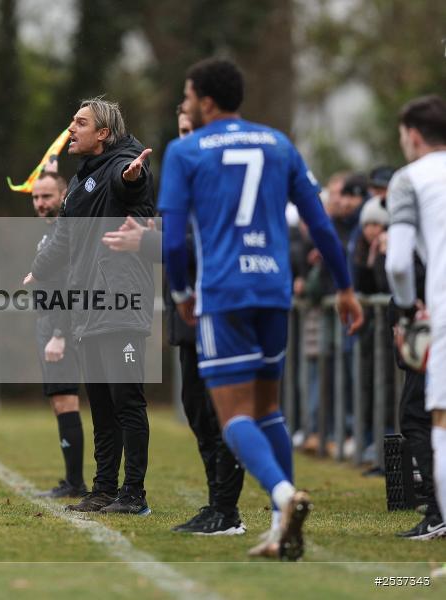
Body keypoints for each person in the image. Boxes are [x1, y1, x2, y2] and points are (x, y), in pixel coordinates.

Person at [160, 58, 363, 560]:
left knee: (233, 417)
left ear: (205, 101)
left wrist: (182, 293)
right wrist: (345, 287)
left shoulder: (185, 150)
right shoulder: (278, 143)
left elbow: (171, 242)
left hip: (224, 294)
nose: (185, 104)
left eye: (188, 96)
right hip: (274, 290)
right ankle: (280, 528)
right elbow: (317, 223)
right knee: (269, 408)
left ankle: (282, 494)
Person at [102, 107, 246, 535]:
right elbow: (178, 242)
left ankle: (229, 509)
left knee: (222, 414)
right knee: (197, 410)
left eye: (193, 129)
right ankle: (218, 506)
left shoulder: (225, 182)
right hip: (187, 312)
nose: (186, 138)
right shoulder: (186, 178)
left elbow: (200, 247)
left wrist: (147, 241)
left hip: (217, 309)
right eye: (181, 130)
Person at [24, 96, 155, 515]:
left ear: (103, 133)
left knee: (126, 401)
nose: (71, 129)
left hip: (121, 305)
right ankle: (102, 488)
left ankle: (134, 493)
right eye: (72, 121)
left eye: (80, 123)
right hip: (88, 309)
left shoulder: (124, 162)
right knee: (100, 404)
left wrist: (134, 178)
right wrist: (40, 270)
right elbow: (62, 238)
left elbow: (128, 180)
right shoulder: (80, 181)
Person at [384, 95, 446, 557]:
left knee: (430, 416)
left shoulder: (410, 179)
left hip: (439, 313)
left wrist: (406, 313)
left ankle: (439, 514)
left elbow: (400, 263)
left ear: (413, 134)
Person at [30, 171, 87, 498]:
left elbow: (70, 285)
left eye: (47, 197)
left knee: (66, 400)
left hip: (59, 325)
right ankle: (73, 481)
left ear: (64, 196)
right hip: (48, 322)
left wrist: (59, 333)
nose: (40, 204)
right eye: (36, 198)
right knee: (59, 402)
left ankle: (76, 483)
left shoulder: (65, 236)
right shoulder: (50, 234)